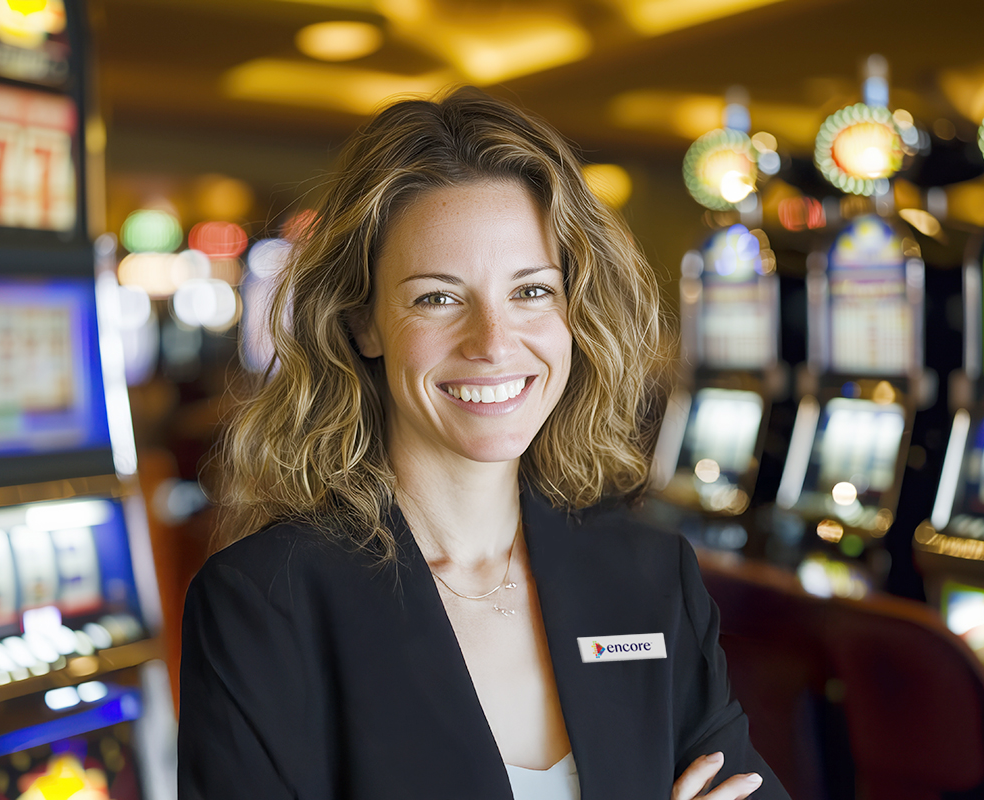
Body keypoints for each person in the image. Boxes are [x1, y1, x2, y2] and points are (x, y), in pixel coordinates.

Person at [178, 87, 787, 800]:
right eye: (437, 297)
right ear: (361, 323)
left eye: (530, 292)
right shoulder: (262, 600)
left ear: (574, 311)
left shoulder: (650, 573)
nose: (494, 343)